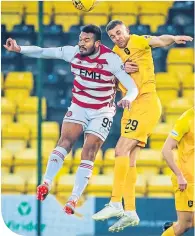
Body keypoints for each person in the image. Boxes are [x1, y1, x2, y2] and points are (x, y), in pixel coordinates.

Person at [4, 24, 138, 215]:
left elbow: (132, 87)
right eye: (80, 39)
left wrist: (127, 98)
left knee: (89, 150)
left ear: (97, 43)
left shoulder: (111, 59)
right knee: (65, 141)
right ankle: (46, 183)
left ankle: (74, 198)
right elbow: (43, 52)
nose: (82, 44)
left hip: (102, 111)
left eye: (86, 40)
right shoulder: (72, 52)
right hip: (80, 106)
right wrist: (19, 49)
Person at [92, 20, 193, 232]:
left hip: (146, 103)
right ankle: (130, 210)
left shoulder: (139, 41)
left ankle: (115, 202)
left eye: (119, 33)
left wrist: (173, 39)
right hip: (130, 107)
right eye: (113, 36)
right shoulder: (114, 55)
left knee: (119, 149)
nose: (117, 38)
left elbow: (158, 40)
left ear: (127, 30)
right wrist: (121, 68)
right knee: (129, 159)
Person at [161, 108, 194, 236]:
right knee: (184, 225)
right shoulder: (186, 119)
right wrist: (179, 175)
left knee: (188, 222)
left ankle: (171, 228)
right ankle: (172, 230)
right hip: (187, 179)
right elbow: (166, 149)